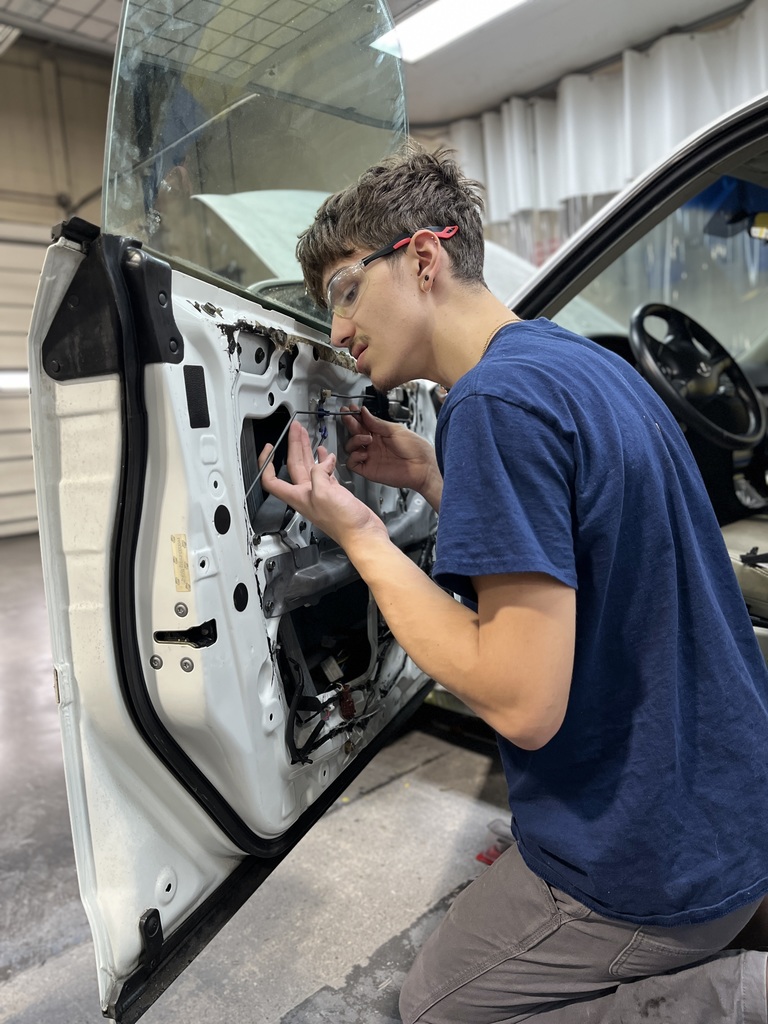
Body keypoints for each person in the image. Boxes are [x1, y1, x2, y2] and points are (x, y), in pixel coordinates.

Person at [258, 142, 768, 1023]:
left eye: (345, 292)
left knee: (440, 1008)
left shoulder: (492, 405)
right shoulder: (571, 367)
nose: (336, 334)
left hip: (655, 864)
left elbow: (521, 701)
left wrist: (363, 534)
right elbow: (584, 550)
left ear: (422, 259)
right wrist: (432, 477)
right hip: (731, 813)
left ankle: (734, 997)